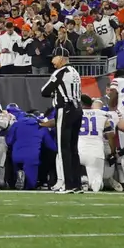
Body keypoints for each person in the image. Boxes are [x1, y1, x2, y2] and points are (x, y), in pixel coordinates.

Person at [43, 55, 83, 193]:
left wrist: (55, 92)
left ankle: (68, 185)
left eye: (54, 58)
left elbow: (44, 91)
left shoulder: (60, 72)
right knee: (73, 148)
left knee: (63, 148)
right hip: (78, 109)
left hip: (65, 109)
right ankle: (77, 184)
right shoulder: (75, 72)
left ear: (61, 58)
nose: (52, 62)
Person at [75, 95, 114, 193]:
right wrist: (113, 152)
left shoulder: (75, 113)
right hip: (96, 153)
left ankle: (82, 178)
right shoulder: (102, 114)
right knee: (97, 185)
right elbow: (110, 136)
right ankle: (92, 182)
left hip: (78, 150)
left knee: (60, 157)